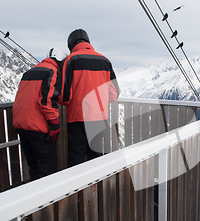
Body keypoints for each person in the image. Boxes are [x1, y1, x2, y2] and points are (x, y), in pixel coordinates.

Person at [61, 29, 120, 167]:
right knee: (97, 159)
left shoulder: (70, 60)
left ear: (71, 44)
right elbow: (114, 94)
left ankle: (78, 188)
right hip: (99, 118)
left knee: (77, 160)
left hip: (77, 118)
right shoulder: (105, 60)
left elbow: (64, 96)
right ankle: (97, 188)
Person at [13, 48, 68, 180]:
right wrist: (54, 125)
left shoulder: (29, 72)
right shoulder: (52, 71)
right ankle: (48, 199)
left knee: (34, 166)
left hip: (21, 124)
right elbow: (47, 100)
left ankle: (35, 197)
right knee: (46, 169)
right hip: (37, 126)